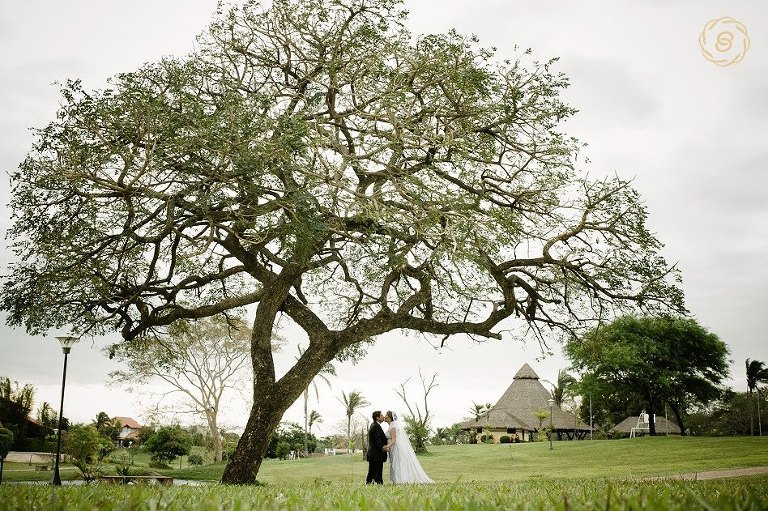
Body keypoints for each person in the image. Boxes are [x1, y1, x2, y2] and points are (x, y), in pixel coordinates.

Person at [383, 411, 434, 484]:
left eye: (386, 415)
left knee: (398, 463)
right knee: (395, 463)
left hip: (396, 448)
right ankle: (396, 480)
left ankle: (400, 480)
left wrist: (387, 446)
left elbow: (393, 440)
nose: (385, 416)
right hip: (393, 448)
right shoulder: (391, 425)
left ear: (390, 417)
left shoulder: (393, 426)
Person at [366, 410, 388, 484]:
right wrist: (384, 447)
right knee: (377, 469)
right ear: (377, 417)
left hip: (374, 453)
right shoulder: (376, 426)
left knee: (373, 470)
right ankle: (378, 483)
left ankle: (370, 482)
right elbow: (378, 439)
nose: (383, 416)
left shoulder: (375, 425)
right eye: (381, 415)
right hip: (376, 453)